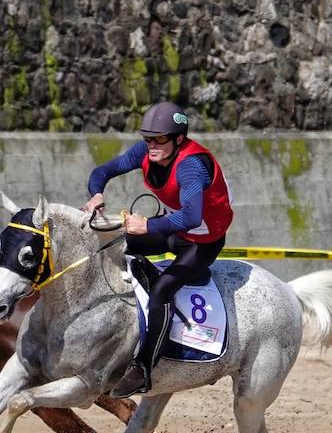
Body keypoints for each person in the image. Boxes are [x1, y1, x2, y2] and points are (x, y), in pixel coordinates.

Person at [82, 101, 233, 396]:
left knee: (163, 288)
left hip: (201, 242)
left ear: (178, 138)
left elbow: (192, 216)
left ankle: (143, 368)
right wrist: (96, 193)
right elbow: (104, 170)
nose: (151, 145)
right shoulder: (146, 152)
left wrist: (147, 226)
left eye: (159, 139)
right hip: (174, 231)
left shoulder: (190, 165)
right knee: (112, 244)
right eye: (148, 138)